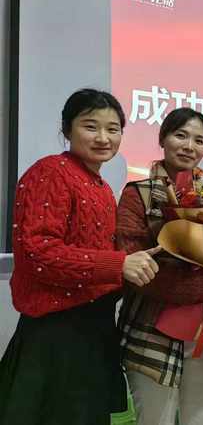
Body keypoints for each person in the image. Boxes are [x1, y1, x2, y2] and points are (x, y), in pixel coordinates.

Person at [0, 88, 158, 425]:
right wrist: (119, 264)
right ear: (67, 129)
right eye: (91, 126)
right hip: (57, 333)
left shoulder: (102, 186)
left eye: (113, 129)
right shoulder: (51, 171)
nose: (103, 138)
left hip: (94, 326)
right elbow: (37, 252)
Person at [116, 107, 203, 425]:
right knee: (154, 419)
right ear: (163, 139)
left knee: (202, 418)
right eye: (180, 135)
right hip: (152, 333)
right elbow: (135, 270)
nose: (189, 146)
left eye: (199, 140)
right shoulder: (137, 195)